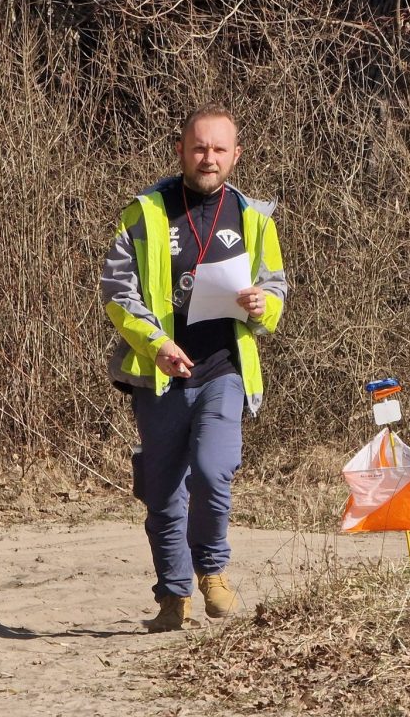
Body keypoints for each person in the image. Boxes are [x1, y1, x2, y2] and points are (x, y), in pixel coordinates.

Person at [100, 104, 286, 632]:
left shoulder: (254, 217)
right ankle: (173, 596)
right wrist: (155, 342)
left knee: (212, 471)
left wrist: (262, 306)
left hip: (224, 370)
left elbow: (275, 286)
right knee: (162, 491)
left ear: (236, 155)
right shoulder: (145, 212)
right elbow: (118, 292)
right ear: (181, 150)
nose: (209, 157)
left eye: (219, 149)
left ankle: (212, 568)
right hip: (159, 373)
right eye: (199, 147)